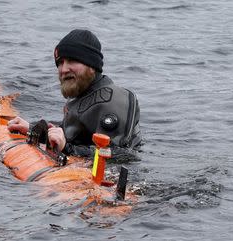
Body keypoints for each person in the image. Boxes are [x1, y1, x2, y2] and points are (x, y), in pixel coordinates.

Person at [7, 29, 141, 161]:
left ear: (92, 65)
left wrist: (67, 148)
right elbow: (75, 135)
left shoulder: (114, 99)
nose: (64, 69)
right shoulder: (82, 97)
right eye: (60, 63)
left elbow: (124, 154)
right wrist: (33, 130)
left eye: (72, 61)